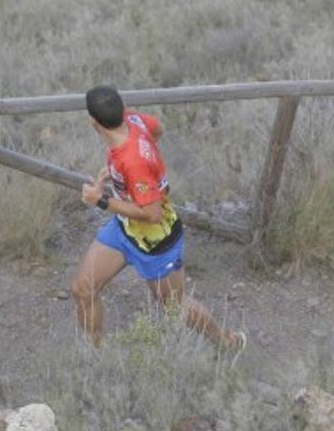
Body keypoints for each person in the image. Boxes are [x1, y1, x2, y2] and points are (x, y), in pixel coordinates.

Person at [71, 85, 246, 352]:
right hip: (125, 229)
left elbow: (152, 214)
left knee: (174, 306)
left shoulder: (134, 162)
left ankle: (225, 343)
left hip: (156, 242)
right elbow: (158, 129)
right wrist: (121, 174)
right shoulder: (132, 119)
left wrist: (102, 201)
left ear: (93, 123)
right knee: (83, 290)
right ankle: (96, 358)